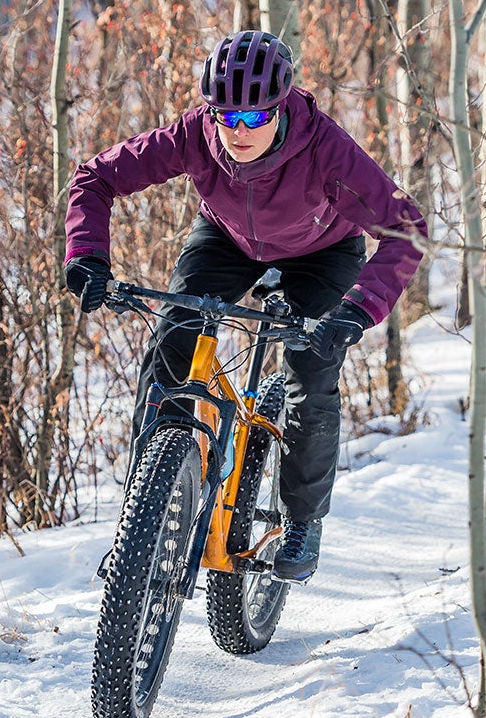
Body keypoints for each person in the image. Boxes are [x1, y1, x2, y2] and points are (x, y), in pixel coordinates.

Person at [63, 29, 427, 582]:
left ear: (280, 109)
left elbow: (407, 230)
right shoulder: (195, 134)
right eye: (225, 115)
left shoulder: (325, 149)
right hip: (227, 241)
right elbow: (96, 176)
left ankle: (303, 519)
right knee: (172, 345)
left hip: (323, 253)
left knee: (310, 368)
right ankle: (148, 511)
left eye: (254, 118)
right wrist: (87, 256)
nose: (237, 131)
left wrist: (354, 312)